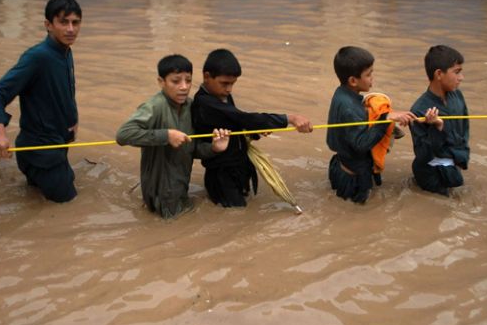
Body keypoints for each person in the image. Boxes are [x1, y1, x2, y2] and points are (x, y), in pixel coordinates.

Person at [0, 0, 82, 203]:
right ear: (48, 25)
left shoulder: (65, 51)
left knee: (42, 198)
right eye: (63, 22)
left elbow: (62, 92)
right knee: (68, 205)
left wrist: (73, 120)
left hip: (55, 145)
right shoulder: (37, 57)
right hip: (41, 150)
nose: (71, 29)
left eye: (75, 22)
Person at [191, 49, 313, 207]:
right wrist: (290, 118)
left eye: (232, 84)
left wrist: (255, 131)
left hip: (238, 165)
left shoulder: (221, 95)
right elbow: (243, 118)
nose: (229, 89)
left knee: (242, 207)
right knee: (236, 214)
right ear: (207, 77)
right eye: (225, 83)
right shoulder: (205, 103)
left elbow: (235, 123)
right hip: (222, 174)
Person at [116, 54, 231, 218]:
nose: (184, 87)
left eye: (188, 81)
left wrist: (213, 148)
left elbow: (191, 147)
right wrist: (165, 135)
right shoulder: (154, 106)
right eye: (176, 81)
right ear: (161, 82)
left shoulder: (190, 106)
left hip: (180, 187)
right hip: (161, 192)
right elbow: (123, 134)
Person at [326, 46, 415, 204]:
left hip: (341, 165)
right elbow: (361, 144)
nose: (372, 78)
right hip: (353, 179)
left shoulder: (341, 94)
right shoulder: (349, 108)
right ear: (353, 81)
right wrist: (384, 119)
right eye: (368, 74)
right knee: (360, 216)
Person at [409, 45, 469, 197]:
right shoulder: (419, 110)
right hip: (432, 174)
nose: (461, 78)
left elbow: (464, 131)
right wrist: (437, 128)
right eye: (457, 72)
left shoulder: (457, 96)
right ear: (439, 74)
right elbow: (423, 155)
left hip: (453, 166)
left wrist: (462, 158)